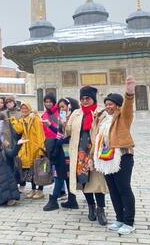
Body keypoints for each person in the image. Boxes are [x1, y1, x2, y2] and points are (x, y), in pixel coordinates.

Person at [93, 76, 136, 235]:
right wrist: (92, 158)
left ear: (118, 106)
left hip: (122, 158)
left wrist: (129, 93)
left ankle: (129, 222)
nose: (108, 107)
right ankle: (119, 219)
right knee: (113, 190)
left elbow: (128, 106)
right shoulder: (104, 120)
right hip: (106, 160)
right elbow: (98, 139)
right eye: (106, 104)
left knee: (124, 189)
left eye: (111, 104)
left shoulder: (123, 117)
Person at [66, 86, 109, 226]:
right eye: (82, 99)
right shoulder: (76, 114)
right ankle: (91, 206)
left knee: (97, 181)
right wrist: (64, 121)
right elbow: (68, 131)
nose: (85, 101)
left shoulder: (100, 112)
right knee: (84, 180)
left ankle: (100, 209)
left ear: (93, 99)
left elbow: (105, 130)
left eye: (87, 98)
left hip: (95, 152)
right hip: (80, 153)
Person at [42, 97, 79, 211]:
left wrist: (60, 142)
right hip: (60, 150)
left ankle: (53, 200)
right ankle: (72, 200)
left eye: (63, 106)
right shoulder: (62, 117)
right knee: (64, 174)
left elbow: (72, 135)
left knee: (59, 174)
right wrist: (50, 126)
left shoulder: (74, 118)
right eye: (59, 107)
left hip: (68, 151)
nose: (61, 109)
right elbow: (60, 133)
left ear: (70, 106)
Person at [10, 102, 45, 199]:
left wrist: (41, 149)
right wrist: (14, 121)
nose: (24, 110)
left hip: (35, 147)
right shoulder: (22, 119)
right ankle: (33, 189)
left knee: (39, 169)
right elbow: (19, 130)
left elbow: (40, 134)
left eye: (26, 108)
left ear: (29, 109)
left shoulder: (35, 118)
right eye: (22, 109)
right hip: (26, 148)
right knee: (31, 170)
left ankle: (40, 190)